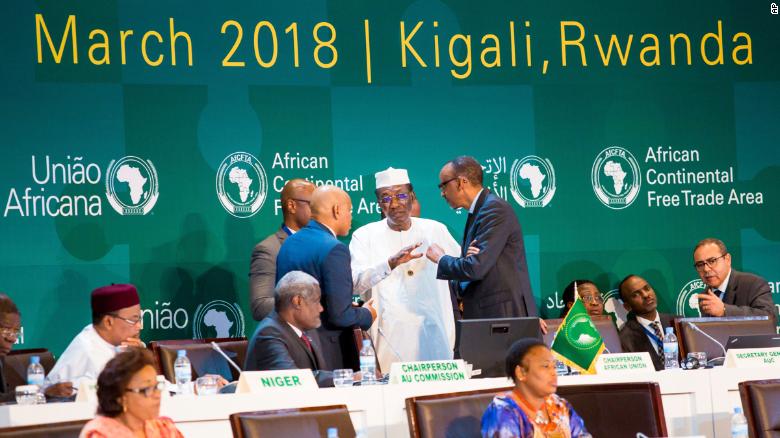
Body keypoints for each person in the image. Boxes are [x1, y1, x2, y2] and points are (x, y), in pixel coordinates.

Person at [350, 167, 462, 371]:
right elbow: (355, 284)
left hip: (435, 333)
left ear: (412, 197)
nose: (395, 204)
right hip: (389, 337)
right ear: (379, 204)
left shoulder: (435, 229)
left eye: (401, 195)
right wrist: (389, 264)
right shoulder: (364, 236)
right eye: (386, 198)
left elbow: (463, 270)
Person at [276, 185, 376, 370]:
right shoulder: (334, 248)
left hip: (294, 347)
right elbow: (340, 316)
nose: (351, 217)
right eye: (350, 210)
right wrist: (367, 314)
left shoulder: (289, 243)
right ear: (337, 210)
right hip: (327, 353)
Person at [427, 156, 538, 320]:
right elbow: (473, 268)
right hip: (488, 315)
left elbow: (475, 268)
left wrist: (441, 258)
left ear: (461, 182)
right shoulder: (478, 212)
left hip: (504, 317)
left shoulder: (494, 209)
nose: (442, 193)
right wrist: (468, 263)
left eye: (443, 185)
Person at [481, 338, 588, 438]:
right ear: (521, 372)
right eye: (545, 366)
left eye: (554, 367)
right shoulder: (503, 411)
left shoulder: (559, 405)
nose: (553, 373)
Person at [245, 271, 335, 387]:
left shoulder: (305, 330)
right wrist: (344, 377)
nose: (321, 308)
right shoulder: (269, 333)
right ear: (298, 301)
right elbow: (292, 379)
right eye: (316, 301)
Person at [47, 284, 144, 387]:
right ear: (108, 322)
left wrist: (140, 356)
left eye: (139, 319)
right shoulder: (85, 348)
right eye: (133, 320)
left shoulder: (129, 346)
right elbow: (50, 392)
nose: (139, 326)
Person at [249, 179, 316, 321]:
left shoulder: (322, 245)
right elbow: (260, 306)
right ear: (291, 206)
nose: (318, 211)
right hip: (291, 340)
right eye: (313, 204)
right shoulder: (269, 249)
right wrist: (311, 304)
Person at [79, 348, 183, 438]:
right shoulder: (100, 434)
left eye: (156, 387)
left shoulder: (163, 429)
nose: (157, 395)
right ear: (121, 397)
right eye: (146, 389)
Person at [693, 238, 777, 324]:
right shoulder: (705, 296)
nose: (706, 269)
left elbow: (769, 318)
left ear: (727, 259)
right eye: (700, 265)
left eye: (712, 261)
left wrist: (724, 310)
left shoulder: (753, 284)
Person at [618, 275, 676, 371]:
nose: (645, 295)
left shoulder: (677, 322)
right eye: (636, 294)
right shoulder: (625, 337)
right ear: (627, 306)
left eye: (647, 288)